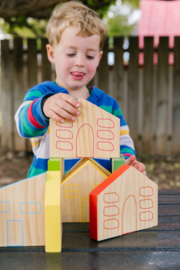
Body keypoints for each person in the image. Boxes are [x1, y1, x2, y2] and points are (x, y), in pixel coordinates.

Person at [15, 1, 146, 178]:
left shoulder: (109, 105)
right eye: (71, 54)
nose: (80, 62)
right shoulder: (42, 95)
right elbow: (24, 125)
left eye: (89, 55)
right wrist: (44, 108)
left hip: (97, 194)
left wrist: (128, 163)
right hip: (48, 193)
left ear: (99, 58)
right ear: (51, 53)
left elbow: (122, 141)